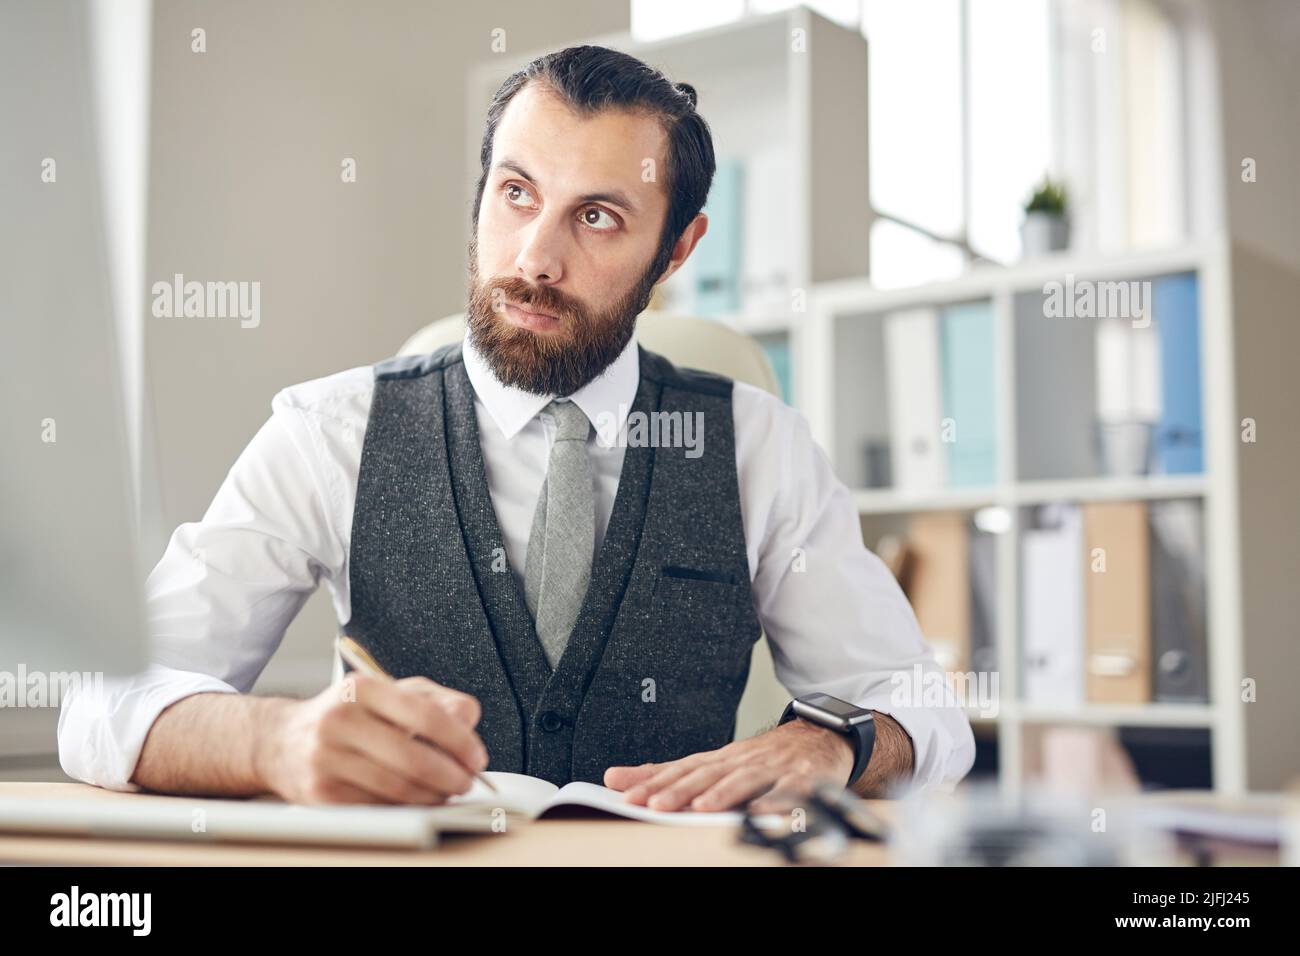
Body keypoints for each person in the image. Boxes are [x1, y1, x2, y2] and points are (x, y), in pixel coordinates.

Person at [60, 45, 974, 813]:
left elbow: (917, 702)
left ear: (679, 248)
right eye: (517, 194)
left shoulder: (757, 446)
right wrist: (273, 739)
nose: (537, 257)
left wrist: (838, 744)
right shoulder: (328, 431)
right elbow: (101, 699)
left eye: (599, 217)